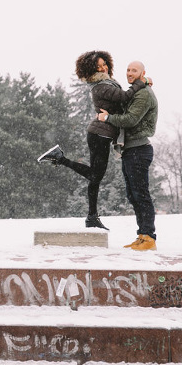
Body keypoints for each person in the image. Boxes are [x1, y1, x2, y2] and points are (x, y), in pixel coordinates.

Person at [37, 50, 149, 231]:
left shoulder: (107, 82)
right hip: (99, 135)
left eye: (105, 64)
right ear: (92, 70)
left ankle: (91, 217)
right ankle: (59, 158)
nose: (104, 67)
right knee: (95, 175)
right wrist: (140, 83)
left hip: (100, 134)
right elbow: (124, 97)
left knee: (94, 178)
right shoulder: (100, 86)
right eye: (99, 66)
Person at [98, 60, 158, 251]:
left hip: (139, 150)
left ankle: (149, 237)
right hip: (131, 150)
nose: (130, 73)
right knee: (133, 195)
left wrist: (107, 118)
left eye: (134, 70)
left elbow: (131, 119)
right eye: (128, 70)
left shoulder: (144, 94)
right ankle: (142, 235)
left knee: (141, 194)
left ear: (142, 73)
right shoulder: (137, 91)